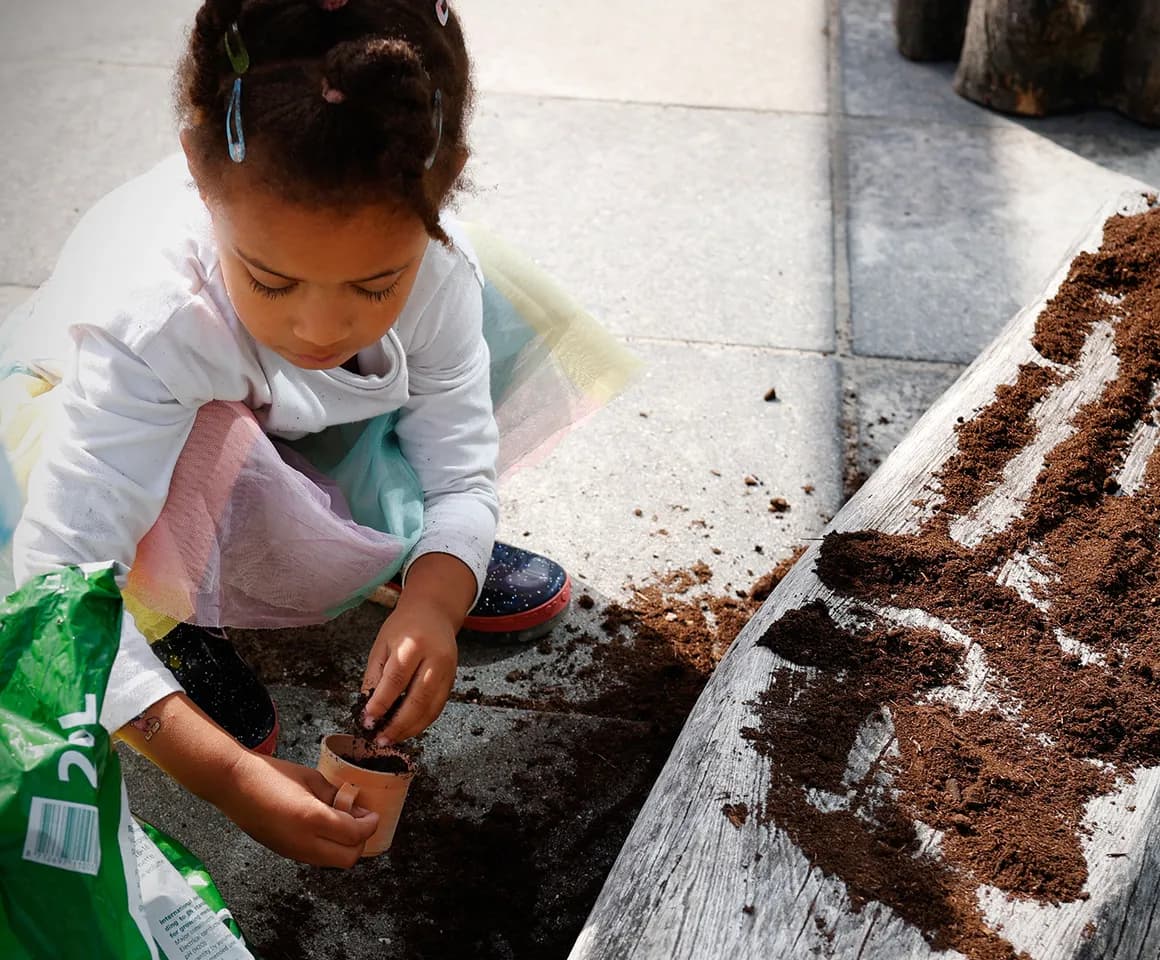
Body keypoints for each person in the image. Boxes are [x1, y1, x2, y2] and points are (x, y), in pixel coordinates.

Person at [1, 0, 633, 868]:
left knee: (477, 309)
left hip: (284, 415)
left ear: (446, 179)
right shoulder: (154, 322)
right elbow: (59, 583)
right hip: (116, 435)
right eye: (272, 280)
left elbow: (459, 466)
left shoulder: (436, 267)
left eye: (375, 284)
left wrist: (436, 596)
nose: (321, 326)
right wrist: (225, 775)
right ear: (197, 172)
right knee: (200, 451)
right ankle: (173, 619)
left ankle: (392, 554)